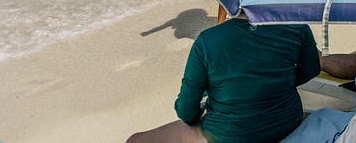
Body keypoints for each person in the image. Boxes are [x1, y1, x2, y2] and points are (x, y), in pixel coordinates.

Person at [125, 11, 319, 143]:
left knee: (135, 140)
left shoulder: (208, 40)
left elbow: (186, 110)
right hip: (286, 120)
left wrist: (200, 111)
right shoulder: (297, 26)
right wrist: (275, 84)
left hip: (229, 134)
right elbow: (311, 69)